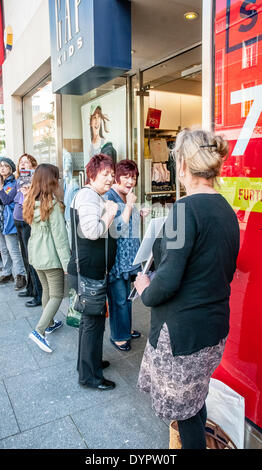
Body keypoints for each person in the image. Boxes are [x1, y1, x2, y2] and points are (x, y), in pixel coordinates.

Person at [134, 128, 240, 449]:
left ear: (181, 165)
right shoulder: (225, 208)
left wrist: (144, 288)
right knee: (195, 401)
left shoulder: (183, 210)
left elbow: (166, 281)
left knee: (186, 416)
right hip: (213, 329)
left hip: (183, 336)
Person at [67, 153, 118, 391]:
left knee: (94, 322)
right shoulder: (88, 196)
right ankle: (89, 376)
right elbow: (92, 231)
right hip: (88, 272)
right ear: (92, 174)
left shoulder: (93, 195)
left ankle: (90, 364)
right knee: (92, 323)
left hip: (93, 270)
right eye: (105, 173)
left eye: (111, 174)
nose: (110, 178)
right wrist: (110, 212)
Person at [23, 164, 70, 353]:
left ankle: (49, 322)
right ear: (51, 181)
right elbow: (60, 239)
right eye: (57, 178)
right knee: (57, 294)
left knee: (47, 291)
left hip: (36, 255)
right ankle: (39, 331)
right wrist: (67, 265)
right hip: (51, 257)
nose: (59, 181)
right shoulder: (53, 205)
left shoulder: (30, 201)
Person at [105, 159, 149, 351]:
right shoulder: (110, 197)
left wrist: (138, 213)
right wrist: (131, 207)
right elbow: (116, 229)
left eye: (134, 177)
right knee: (118, 300)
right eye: (126, 177)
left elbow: (127, 220)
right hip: (117, 260)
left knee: (128, 298)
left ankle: (125, 330)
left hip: (130, 256)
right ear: (117, 177)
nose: (131, 181)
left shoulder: (126, 195)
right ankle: (118, 336)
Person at [14, 153, 43, 307]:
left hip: (27, 221)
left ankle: (39, 294)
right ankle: (30, 288)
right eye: (21, 163)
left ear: (33, 165)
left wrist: (28, 190)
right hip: (18, 220)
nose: (23, 165)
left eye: (26, 162)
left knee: (32, 258)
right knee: (25, 257)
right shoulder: (19, 179)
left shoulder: (36, 181)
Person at [0, 156, 27, 289]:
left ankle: (21, 276)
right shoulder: (3, 183)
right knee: (4, 250)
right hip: (2, 221)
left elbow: (6, 199)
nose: (2, 168)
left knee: (14, 251)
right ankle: (7, 272)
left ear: (11, 168)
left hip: (10, 222)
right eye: (0, 166)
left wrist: (0, 188)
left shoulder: (12, 183)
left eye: (5, 166)